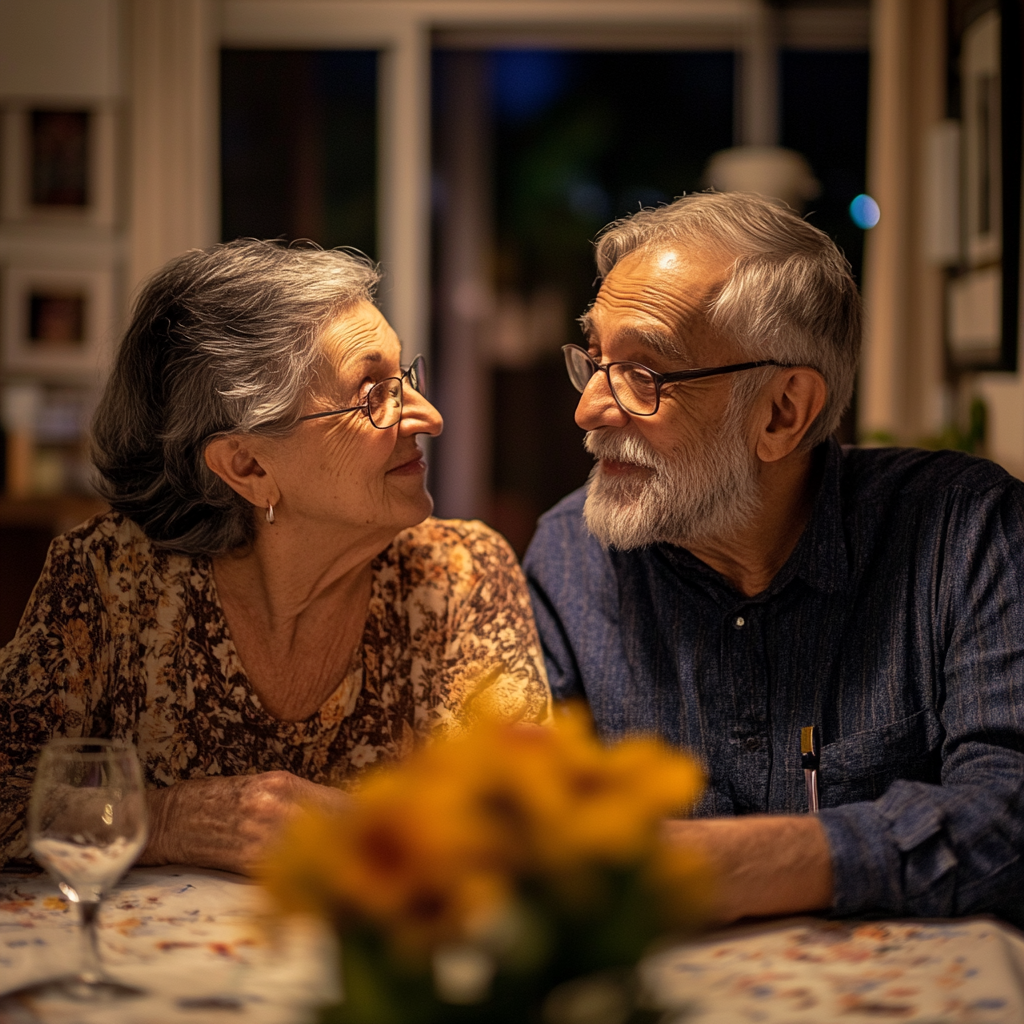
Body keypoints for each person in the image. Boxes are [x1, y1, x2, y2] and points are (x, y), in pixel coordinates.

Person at [524, 192, 1024, 926]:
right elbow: (522, 830)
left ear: (783, 412)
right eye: (595, 361)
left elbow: (1010, 812)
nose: (590, 409)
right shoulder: (572, 560)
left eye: (644, 374)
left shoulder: (962, 533)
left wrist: (741, 863)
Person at [0, 240, 550, 874]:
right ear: (249, 466)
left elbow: (529, 826)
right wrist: (171, 819)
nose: (427, 416)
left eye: (405, 377)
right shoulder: (108, 580)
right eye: (373, 394)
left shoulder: (461, 576)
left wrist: (335, 826)